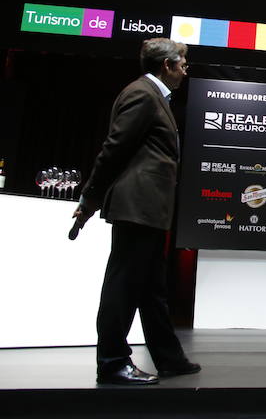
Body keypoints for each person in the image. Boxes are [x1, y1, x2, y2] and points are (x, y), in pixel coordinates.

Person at [73, 38, 201, 384]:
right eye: (183, 63)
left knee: (151, 287)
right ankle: (113, 362)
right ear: (167, 66)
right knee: (125, 285)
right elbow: (114, 149)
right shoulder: (143, 94)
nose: (186, 70)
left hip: (149, 207)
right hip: (136, 205)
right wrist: (89, 199)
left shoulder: (154, 96)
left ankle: (168, 357)